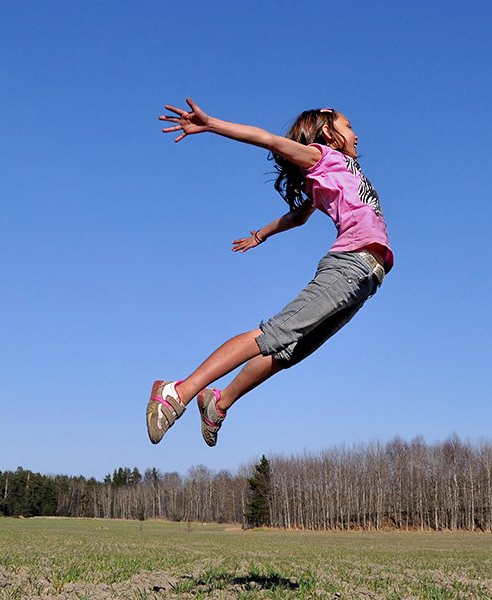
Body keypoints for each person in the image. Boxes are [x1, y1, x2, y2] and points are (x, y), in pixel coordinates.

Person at [148, 98, 393, 447]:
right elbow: (267, 139)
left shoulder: (338, 172)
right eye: (349, 125)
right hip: (350, 264)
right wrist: (211, 124)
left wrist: (260, 235)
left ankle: (218, 402)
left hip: (367, 279)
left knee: (288, 352)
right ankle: (178, 391)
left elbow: (299, 217)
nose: (356, 134)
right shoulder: (321, 157)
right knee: (276, 333)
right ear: (328, 131)